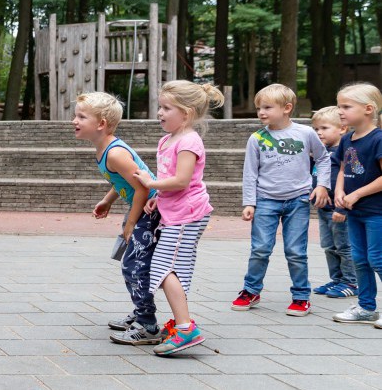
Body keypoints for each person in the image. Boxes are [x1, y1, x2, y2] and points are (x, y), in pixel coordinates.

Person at [134, 80, 224, 356]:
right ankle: (181, 322)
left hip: (187, 215)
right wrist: (158, 197)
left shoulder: (189, 141)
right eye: (160, 107)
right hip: (175, 213)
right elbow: (169, 179)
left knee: (164, 268)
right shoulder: (167, 140)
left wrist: (151, 184)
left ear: (186, 113)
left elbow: (182, 180)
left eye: (166, 108)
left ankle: (186, 329)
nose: (159, 113)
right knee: (173, 268)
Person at [233, 84, 330, 316]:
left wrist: (322, 185)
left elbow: (323, 158)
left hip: (298, 200)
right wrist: (249, 202)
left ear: (286, 108)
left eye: (267, 107)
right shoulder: (257, 138)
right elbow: (250, 173)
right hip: (265, 200)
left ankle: (301, 296)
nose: (261, 112)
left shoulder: (305, 133)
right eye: (259, 108)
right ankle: (251, 290)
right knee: (260, 249)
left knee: (296, 251)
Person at [72, 92, 160, 345]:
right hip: (140, 209)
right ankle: (142, 312)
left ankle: (148, 324)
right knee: (131, 263)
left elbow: (143, 188)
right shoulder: (104, 149)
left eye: (81, 117)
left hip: (151, 211)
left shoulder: (115, 153)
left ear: (101, 124)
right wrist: (108, 200)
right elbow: (122, 181)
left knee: (134, 265)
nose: (74, 121)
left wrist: (131, 222)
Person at [331, 83, 382, 327]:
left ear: (368, 109)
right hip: (355, 212)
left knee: (377, 259)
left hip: (376, 213)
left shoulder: (378, 139)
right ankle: (366, 307)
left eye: (346, 106)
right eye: (339, 106)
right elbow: (343, 169)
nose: (340, 111)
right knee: (359, 260)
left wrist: (357, 194)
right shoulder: (346, 139)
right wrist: (339, 191)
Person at [310, 106, 356, 299]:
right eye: (316, 129)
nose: (319, 133)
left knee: (344, 247)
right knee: (329, 247)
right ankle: (337, 279)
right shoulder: (322, 152)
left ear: (342, 129)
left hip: (340, 210)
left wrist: (342, 208)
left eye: (324, 128)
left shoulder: (345, 153)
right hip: (324, 209)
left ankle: (351, 282)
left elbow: (350, 182)